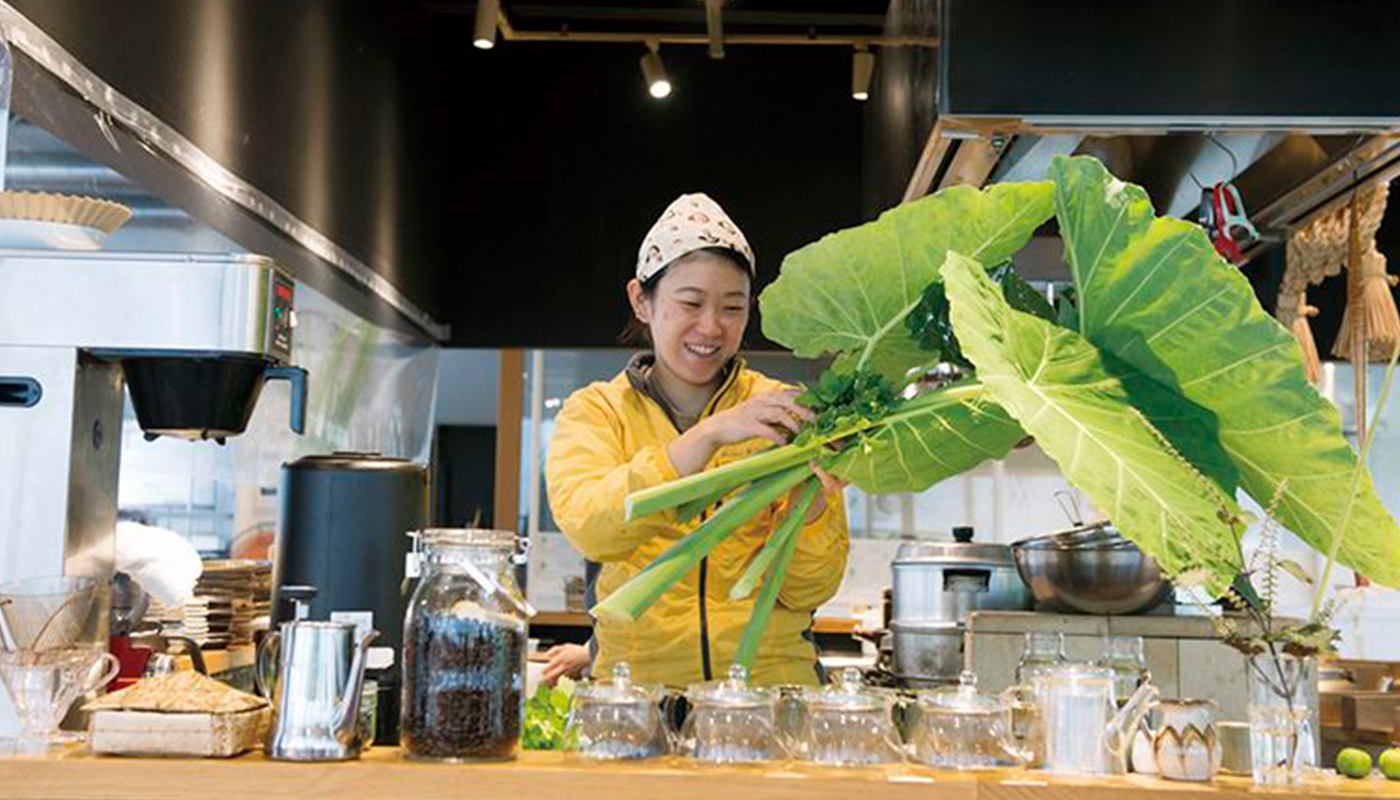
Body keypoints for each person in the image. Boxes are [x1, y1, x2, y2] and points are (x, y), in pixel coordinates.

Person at [544, 193, 849, 688]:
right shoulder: (598, 410)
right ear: (641, 300)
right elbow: (591, 526)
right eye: (690, 303)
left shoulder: (784, 412)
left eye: (733, 307)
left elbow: (811, 586)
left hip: (765, 696)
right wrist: (707, 436)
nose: (711, 327)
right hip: (637, 693)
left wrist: (810, 504)